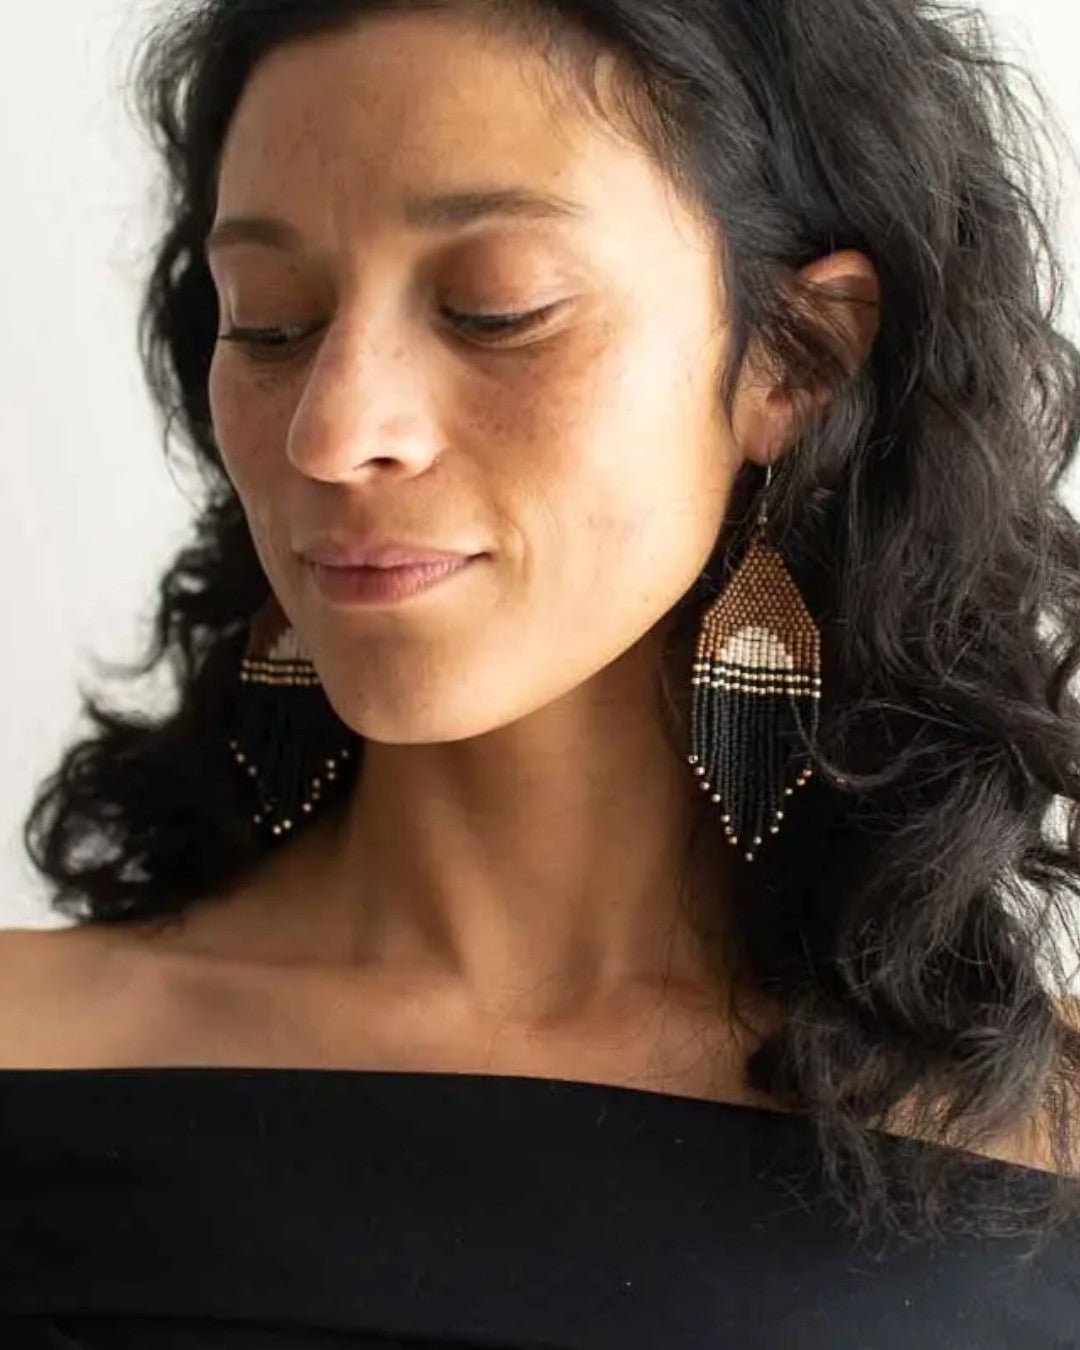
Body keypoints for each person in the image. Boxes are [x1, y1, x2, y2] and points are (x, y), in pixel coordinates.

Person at [3, 0, 1080, 1344]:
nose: (333, 430)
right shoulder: (30, 1043)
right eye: (271, 323)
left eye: (496, 308)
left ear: (795, 357)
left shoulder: (1041, 1140)